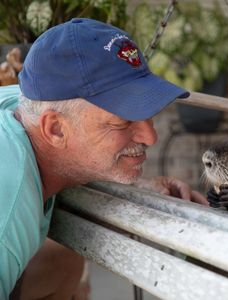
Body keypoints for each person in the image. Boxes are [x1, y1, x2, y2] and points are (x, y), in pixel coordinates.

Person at [0, 18, 208, 299]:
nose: (150, 137)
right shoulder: (8, 205)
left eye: (147, 113)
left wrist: (136, 185)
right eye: (123, 121)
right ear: (56, 128)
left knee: (63, 263)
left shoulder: (20, 105)